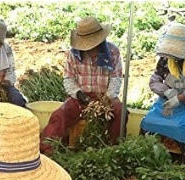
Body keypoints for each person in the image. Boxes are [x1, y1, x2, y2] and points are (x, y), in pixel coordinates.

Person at [40, 16, 126, 154]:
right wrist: (79, 94)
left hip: (105, 96)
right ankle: (46, 151)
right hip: (80, 97)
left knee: (120, 111)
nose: (90, 49)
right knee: (60, 115)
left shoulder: (113, 52)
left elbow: (116, 78)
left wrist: (107, 98)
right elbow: (68, 79)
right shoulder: (73, 54)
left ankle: (114, 149)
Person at [140, 23, 185, 159]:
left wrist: (181, 98)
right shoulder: (164, 60)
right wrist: (167, 92)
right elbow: (154, 82)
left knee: (179, 126)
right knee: (147, 122)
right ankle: (148, 155)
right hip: (166, 103)